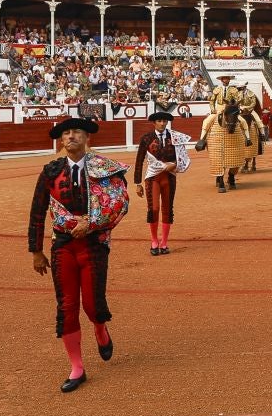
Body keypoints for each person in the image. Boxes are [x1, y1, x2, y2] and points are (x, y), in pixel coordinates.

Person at [26, 116, 129, 393]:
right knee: (67, 307)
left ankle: (100, 328)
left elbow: (119, 203)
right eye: (67, 133)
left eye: (77, 132)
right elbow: (37, 210)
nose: (71, 136)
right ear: (61, 140)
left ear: (87, 138)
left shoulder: (104, 168)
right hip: (62, 245)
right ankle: (77, 368)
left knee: (93, 305)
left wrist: (92, 223)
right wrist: (36, 250)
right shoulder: (50, 171)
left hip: (94, 244)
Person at [132, 110, 185, 256]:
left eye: (164, 121)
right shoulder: (146, 138)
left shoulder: (174, 137)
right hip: (153, 178)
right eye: (159, 121)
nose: (162, 123)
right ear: (154, 123)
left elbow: (183, 158)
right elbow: (139, 160)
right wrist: (137, 183)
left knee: (167, 209)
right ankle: (154, 240)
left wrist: (174, 164)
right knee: (154, 208)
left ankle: (164, 243)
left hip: (169, 176)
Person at [200, 87, 247, 191]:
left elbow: (236, 100)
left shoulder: (234, 90)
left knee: (243, 121)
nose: (226, 80)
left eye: (227, 78)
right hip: (219, 109)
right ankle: (201, 140)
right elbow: (212, 100)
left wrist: (237, 106)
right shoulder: (217, 89)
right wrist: (213, 109)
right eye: (224, 78)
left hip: (232, 109)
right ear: (222, 80)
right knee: (207, 121)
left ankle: (247, 138)